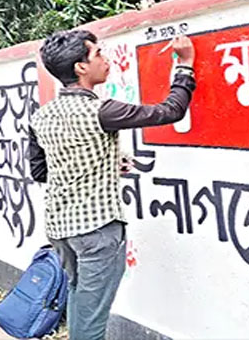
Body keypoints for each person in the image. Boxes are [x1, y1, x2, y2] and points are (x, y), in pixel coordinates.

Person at [28, 30, 196, 340]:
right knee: (92, 321)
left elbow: (40, 171)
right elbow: (170, 111)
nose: (105, 60)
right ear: (81, 67)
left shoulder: (42, 116)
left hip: (59, 229)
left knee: (81, 299)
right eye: (98, 55)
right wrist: (185, 65)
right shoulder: (102, 111)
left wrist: (98, 166)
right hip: (97, 229)